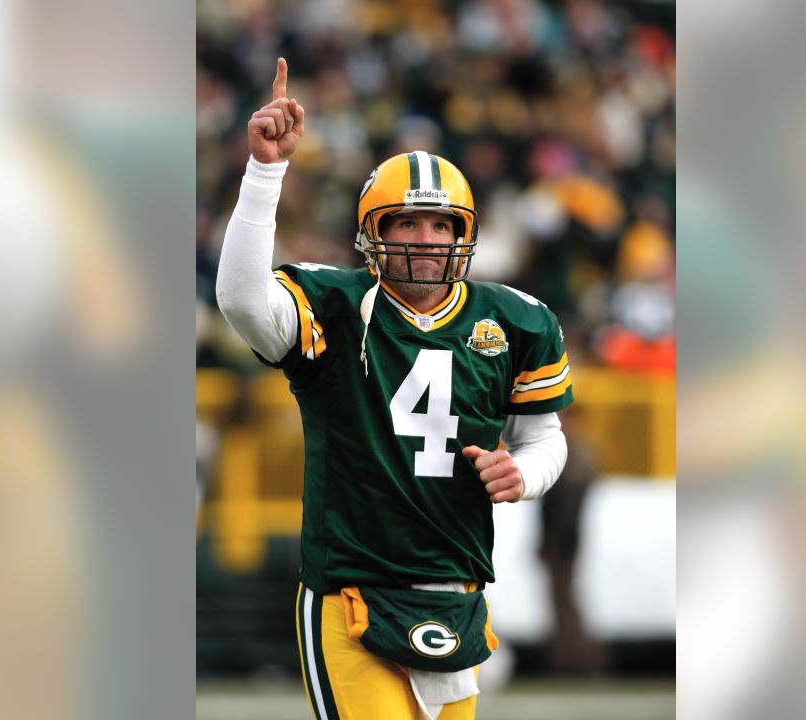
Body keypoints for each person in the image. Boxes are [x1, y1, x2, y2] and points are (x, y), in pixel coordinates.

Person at [217, 58, 572, 720]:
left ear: (465, 233)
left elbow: (544, 437)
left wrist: (522, 473)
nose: (425, 240)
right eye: (406, 223)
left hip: (458, 594)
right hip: (353, 593)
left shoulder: (514, 320)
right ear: (373, 234)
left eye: (441, 226)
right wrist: (266, 172)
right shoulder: (335, 305)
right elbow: (240, 298)